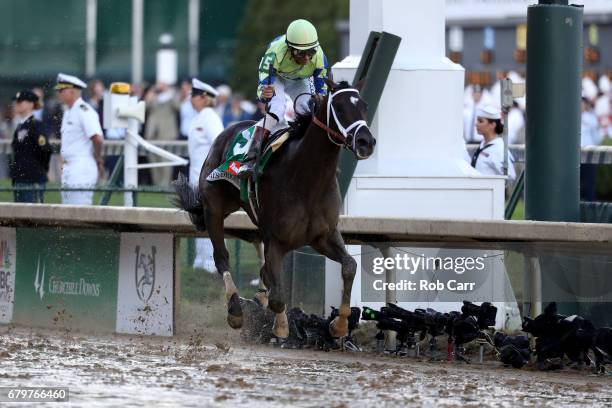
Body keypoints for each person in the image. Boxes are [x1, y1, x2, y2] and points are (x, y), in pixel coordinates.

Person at [236, 18, 329, 178]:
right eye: (301, 53)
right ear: (290, 48)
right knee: (278, 109)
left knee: (307, 109)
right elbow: (263, 89)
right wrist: (263, 95)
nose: (307, 58)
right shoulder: (274, 53)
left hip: (300, 80)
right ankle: (250, 158)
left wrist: (319, 101)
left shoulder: (320, 57)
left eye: (311, 52)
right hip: (277, 77)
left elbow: (321, 91)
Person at [188, 78, 224, 272]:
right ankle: (201, 260)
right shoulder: (199, 117)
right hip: (196, 173)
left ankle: (210, 263)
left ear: (204, 97)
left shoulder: (210, 117)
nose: (191, 99)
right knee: (199, 217)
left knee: (209, 216)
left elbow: (218, 144)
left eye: (194, 95)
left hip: (207, 177)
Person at [55, 73, 105, 205]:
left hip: (81, 166)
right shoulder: (68, 111)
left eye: (61, 90)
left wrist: (98, 158)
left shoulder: (84, 110)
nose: (58, 93)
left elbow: (97, 138)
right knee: (67, 212)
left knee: (79, 211)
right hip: (69, 167)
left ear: (72, 91)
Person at [9, 90, 52, 203]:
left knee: (33, 214)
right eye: (17, 102)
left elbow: (46, 149)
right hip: (20, 177)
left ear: (31, 104)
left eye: (21, 101)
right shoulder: (20, 126)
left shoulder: (35, 125)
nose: (17, 104)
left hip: (32, 178)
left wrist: (40, 170)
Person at [470, 105, 516, 182]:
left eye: (480, 121)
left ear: (492, 125)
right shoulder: (484, 145)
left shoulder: (498, 149)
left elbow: (510, 175)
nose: (476, 124)